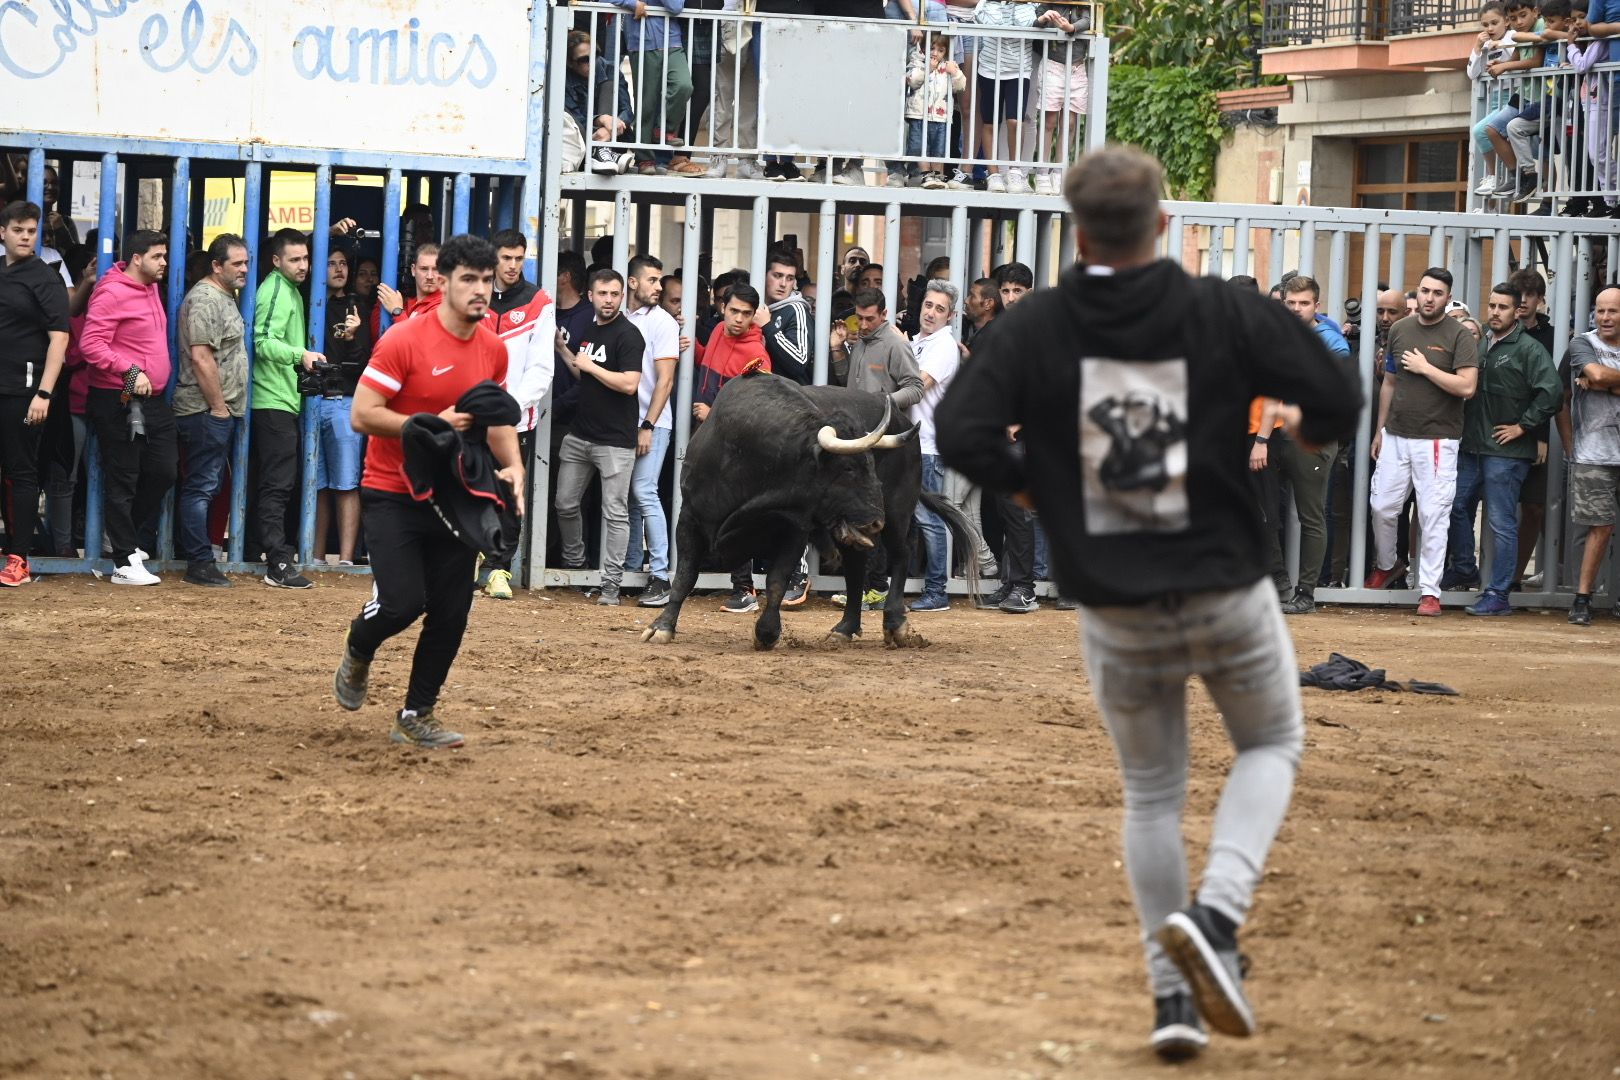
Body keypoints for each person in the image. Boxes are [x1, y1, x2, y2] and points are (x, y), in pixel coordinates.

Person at [935, 146, 1361, 1061]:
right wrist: (1308, 428)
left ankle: (1172, 996)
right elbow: (1335, 389)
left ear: (1077, 231)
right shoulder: (1220, 307)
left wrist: (1035, 488)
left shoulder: (1037, 324)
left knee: (1153, 791)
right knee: (1273, 742)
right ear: (1163, 223)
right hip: (1223, 580)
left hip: (1113, 597)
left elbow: (958, 427)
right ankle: (1217, 913)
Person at [333, 235, 523, 748]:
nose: (481, 290)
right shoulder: (404, 340)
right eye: (470, 279)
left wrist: (515, 471)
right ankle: (358, 644)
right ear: (442, 280)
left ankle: (416, 714)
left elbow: (497, 418)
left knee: (452, 611)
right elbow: (362, 414)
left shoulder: (493, 347)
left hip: (453, 496)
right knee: (400, 604)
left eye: (487, 280)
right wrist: (426, 425)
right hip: (392, 489)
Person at [1366, 268, 1479, 615]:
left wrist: (1427, 367)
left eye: (1438, 293)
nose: (1430, 298)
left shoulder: (1459, 335)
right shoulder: (1400, 329)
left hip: (1438, 439)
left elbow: (1467, 387)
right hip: (1396, 435)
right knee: (1382, 507)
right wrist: (1379, 430)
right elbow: (1390, 383)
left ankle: (1430, 591)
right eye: (1425, 291)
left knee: (1433, 515)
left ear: (1447, 297)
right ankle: (1389, 564)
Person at [1443, 281, 1560, 615]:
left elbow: (1551, 393)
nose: (1495, 312)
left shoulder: (1529, 349)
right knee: (1453, 505)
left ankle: (1498, 594)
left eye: (1503, 307)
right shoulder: (1476, 340)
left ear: (1517, 310)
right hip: (1471, 446)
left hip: (1506, 453)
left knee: (1501, 522)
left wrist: (1523, 426)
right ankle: (1465, 567)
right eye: (1492, 305)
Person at [79, 230, 178, 586]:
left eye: (165, 255)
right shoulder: (112, 291)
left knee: (165, 469)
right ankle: (123, 561)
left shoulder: (151, 286)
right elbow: (91, 344)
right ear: (137, 258)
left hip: (152, 399)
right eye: (158, 256)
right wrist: (131, 371)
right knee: (123, 476)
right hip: (118, 396)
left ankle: (126, 539)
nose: (164, 262)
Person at [828, 286, 926, 609]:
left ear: (884, 314)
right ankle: (870, 587)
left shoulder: (895, 344)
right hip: (860, 441)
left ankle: (878, 587)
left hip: (884, 445)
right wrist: (839, 351)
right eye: (860, 318)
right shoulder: (859, 341)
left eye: (870, 318)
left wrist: (881, 405)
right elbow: (849, 387)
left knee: (884, 516)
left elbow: (915, 388)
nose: (864, 324)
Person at [552, 269, 645, 606]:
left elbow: (629, 384)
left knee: (614, 513)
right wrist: (564, 351)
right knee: (564, 503)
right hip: (580, 435)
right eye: (603, 293)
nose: (609, 300)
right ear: (590, 296)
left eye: (614, 294)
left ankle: (610, 587)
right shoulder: (589, 330)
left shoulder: (629, 335)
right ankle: (576, 568)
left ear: (622, 297)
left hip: (615, 440)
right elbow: (582, 371)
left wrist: (591, 367)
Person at [481, 229, 556, 601]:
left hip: (514, 420)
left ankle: (498, 569)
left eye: (518, 258)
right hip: (471, 418)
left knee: (509, 497)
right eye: (506, 257)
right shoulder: (474, 293)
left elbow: (542, 368)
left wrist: (511, 407)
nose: (512, 265)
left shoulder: (538, 302)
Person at [690, 283, 773, 613]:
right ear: (723, 307)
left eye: (745, 314)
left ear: (754, 317)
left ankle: (745, 589)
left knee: (735, 517)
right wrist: (690, 346)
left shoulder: (757, 355)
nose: (738, 319)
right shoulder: (716, 334)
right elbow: (709, 365)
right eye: (733, 311)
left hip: (736, 447)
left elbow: (761, 407)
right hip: (710, 441)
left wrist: (715, 414)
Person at [174, 233, 250, 587]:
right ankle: (199, 563)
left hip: (217, 410)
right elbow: (202, 357)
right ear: (217, 266)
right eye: (237, 263)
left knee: (210, 484)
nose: (244, 269)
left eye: (246, 262)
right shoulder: (205, 298)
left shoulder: (224, 295)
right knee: (201, 486)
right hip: (205, 410)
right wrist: (219, 408)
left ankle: (202, 558)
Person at [0, 201, 69, 586]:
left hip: (26, 394)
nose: (26, 236)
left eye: (31, 231)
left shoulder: (45, 278)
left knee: (21, 471)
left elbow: (60, 339)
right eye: (19, 230)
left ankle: (19, 559)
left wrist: (44, 393)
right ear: (3, 232)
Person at [251, 227, 320, 589]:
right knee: (277, 484)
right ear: (277, 260)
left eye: (305, 258)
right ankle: (277, 562)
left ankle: (269, 553)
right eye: (295, 259)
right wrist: (301, 355)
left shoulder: (288, 289)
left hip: (280, 398)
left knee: (276, 482)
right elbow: (262, 342)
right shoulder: (276, 289)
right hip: (272, 399)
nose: (303, 265)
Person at [1276, 275, 1349, 615]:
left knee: (1311, 517)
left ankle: (1307, 592)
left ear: (1316, 306)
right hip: (1276, 436)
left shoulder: (1328, 338)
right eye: (1291, 303)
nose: (1296, 309)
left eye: (1303, 303)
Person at [1561, 285, 1620, 626]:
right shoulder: (1583, 343)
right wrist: (1600, 379)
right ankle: (1582, 598)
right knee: (1600, 526)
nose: (1605, 317)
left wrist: (1606, 384)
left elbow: (1599, 379)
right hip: (1594, 451)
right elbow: (1592, 375)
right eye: (1601, 310)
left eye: (1613, 311)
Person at [623, 254, 679, 607]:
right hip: (622, 423)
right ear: (633, 283)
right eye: (652, 280)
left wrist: (648, 425)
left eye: (659, 281)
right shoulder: (619, 316)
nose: (659, 287)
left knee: (644, 491)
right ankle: (631, 570)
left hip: (652, 423)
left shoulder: (662, 322)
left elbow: (666, 381)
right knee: (628, 499)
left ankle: (660, 576)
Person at [312, 248, 369, 568]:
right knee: (317, 485)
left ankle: (346, 559)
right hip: (312, 401)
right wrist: (329, 235)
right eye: (331, 262)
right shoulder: (310, 301)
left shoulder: (358, 306)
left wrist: (352, 336)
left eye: (344, 262)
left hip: (345, 402)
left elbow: (364, 363)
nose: (338, 269)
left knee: (346, 482)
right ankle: (316, 556)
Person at [907, 279, 961, 612]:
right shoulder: (919, 343)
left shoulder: (944, 346)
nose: (931, 313)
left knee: (929, 519)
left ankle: (938, 590)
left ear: (950, 316)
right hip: (913, 443)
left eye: (939, 309)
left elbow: (917, 386)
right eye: (929, 305)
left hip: (927, 445)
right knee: (914, 518)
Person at [608, 0, 704, 177]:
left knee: (683, 86)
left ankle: (663, 129)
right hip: (640, 42)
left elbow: (675, 7)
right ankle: (644, 158)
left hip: (672, 41)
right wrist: (632, 3)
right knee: (647, 102)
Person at [973, 0, 1038, 193]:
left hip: (1019, 69)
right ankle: (993, 174)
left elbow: (1025, 22)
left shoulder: (1029, 5)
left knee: (1014, 121)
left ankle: (1015, 171)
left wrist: (1018, 4)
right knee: (990, 123)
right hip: (989, 67)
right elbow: (987, 22)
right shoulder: (986, 3)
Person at [1031, 4, 1091, 196]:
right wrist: (1044, 19)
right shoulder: (1048, 4)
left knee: (1071, 122)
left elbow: (1088, 20)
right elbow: (1036, 21)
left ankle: (1059, 172)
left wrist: (1071, 28)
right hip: (1053, 65)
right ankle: (1042, 172)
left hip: (1077, 67)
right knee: (1049, 121)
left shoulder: (1083, 5)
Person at [563, 30, 637, 175]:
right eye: (584, 59)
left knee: (609, 85)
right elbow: (576, 120)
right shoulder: (564, 78)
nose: (592, 62)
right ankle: (604, 154)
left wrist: (610, 128)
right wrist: (600, 119)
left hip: (615, 138)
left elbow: (627, 111)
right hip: (584, 142)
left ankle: (607, 154)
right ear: (571, 63)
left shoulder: (610, 69)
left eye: (595, 55)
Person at [905, 34, 966, 189]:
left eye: (940, 50)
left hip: (941, 116)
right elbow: (912, 80)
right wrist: (928, 69)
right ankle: (925, 174)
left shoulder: (948, 67)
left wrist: (955, 73)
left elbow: (960, 86)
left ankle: (937, 176)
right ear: (924, 48)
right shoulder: (918, 62)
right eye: (931, 48)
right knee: (919, 147)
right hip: (919, 114)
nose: (935, 53)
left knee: (938, 148)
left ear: (945, 52)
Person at [758, 251, 813, 385]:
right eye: (777, 276)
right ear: (764, 276)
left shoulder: (796, 310)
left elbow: (799, 362)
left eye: (789, 278)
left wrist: (768, 326)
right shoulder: (757, 309)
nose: (783, 284)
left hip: (790, 399)